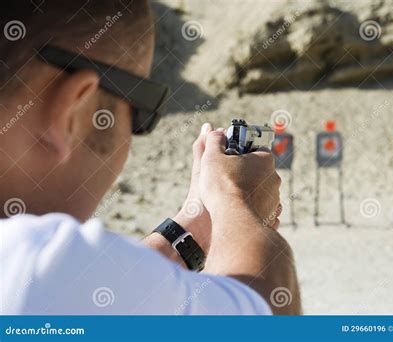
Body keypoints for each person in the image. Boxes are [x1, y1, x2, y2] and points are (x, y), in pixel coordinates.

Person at [0, 0, 301, 315]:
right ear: (72, 110)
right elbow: (267, 315)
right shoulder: (36, 265)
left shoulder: (32, 270)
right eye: (141, 111)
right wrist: (237, 200)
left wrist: (194, 227)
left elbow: (99, 293)